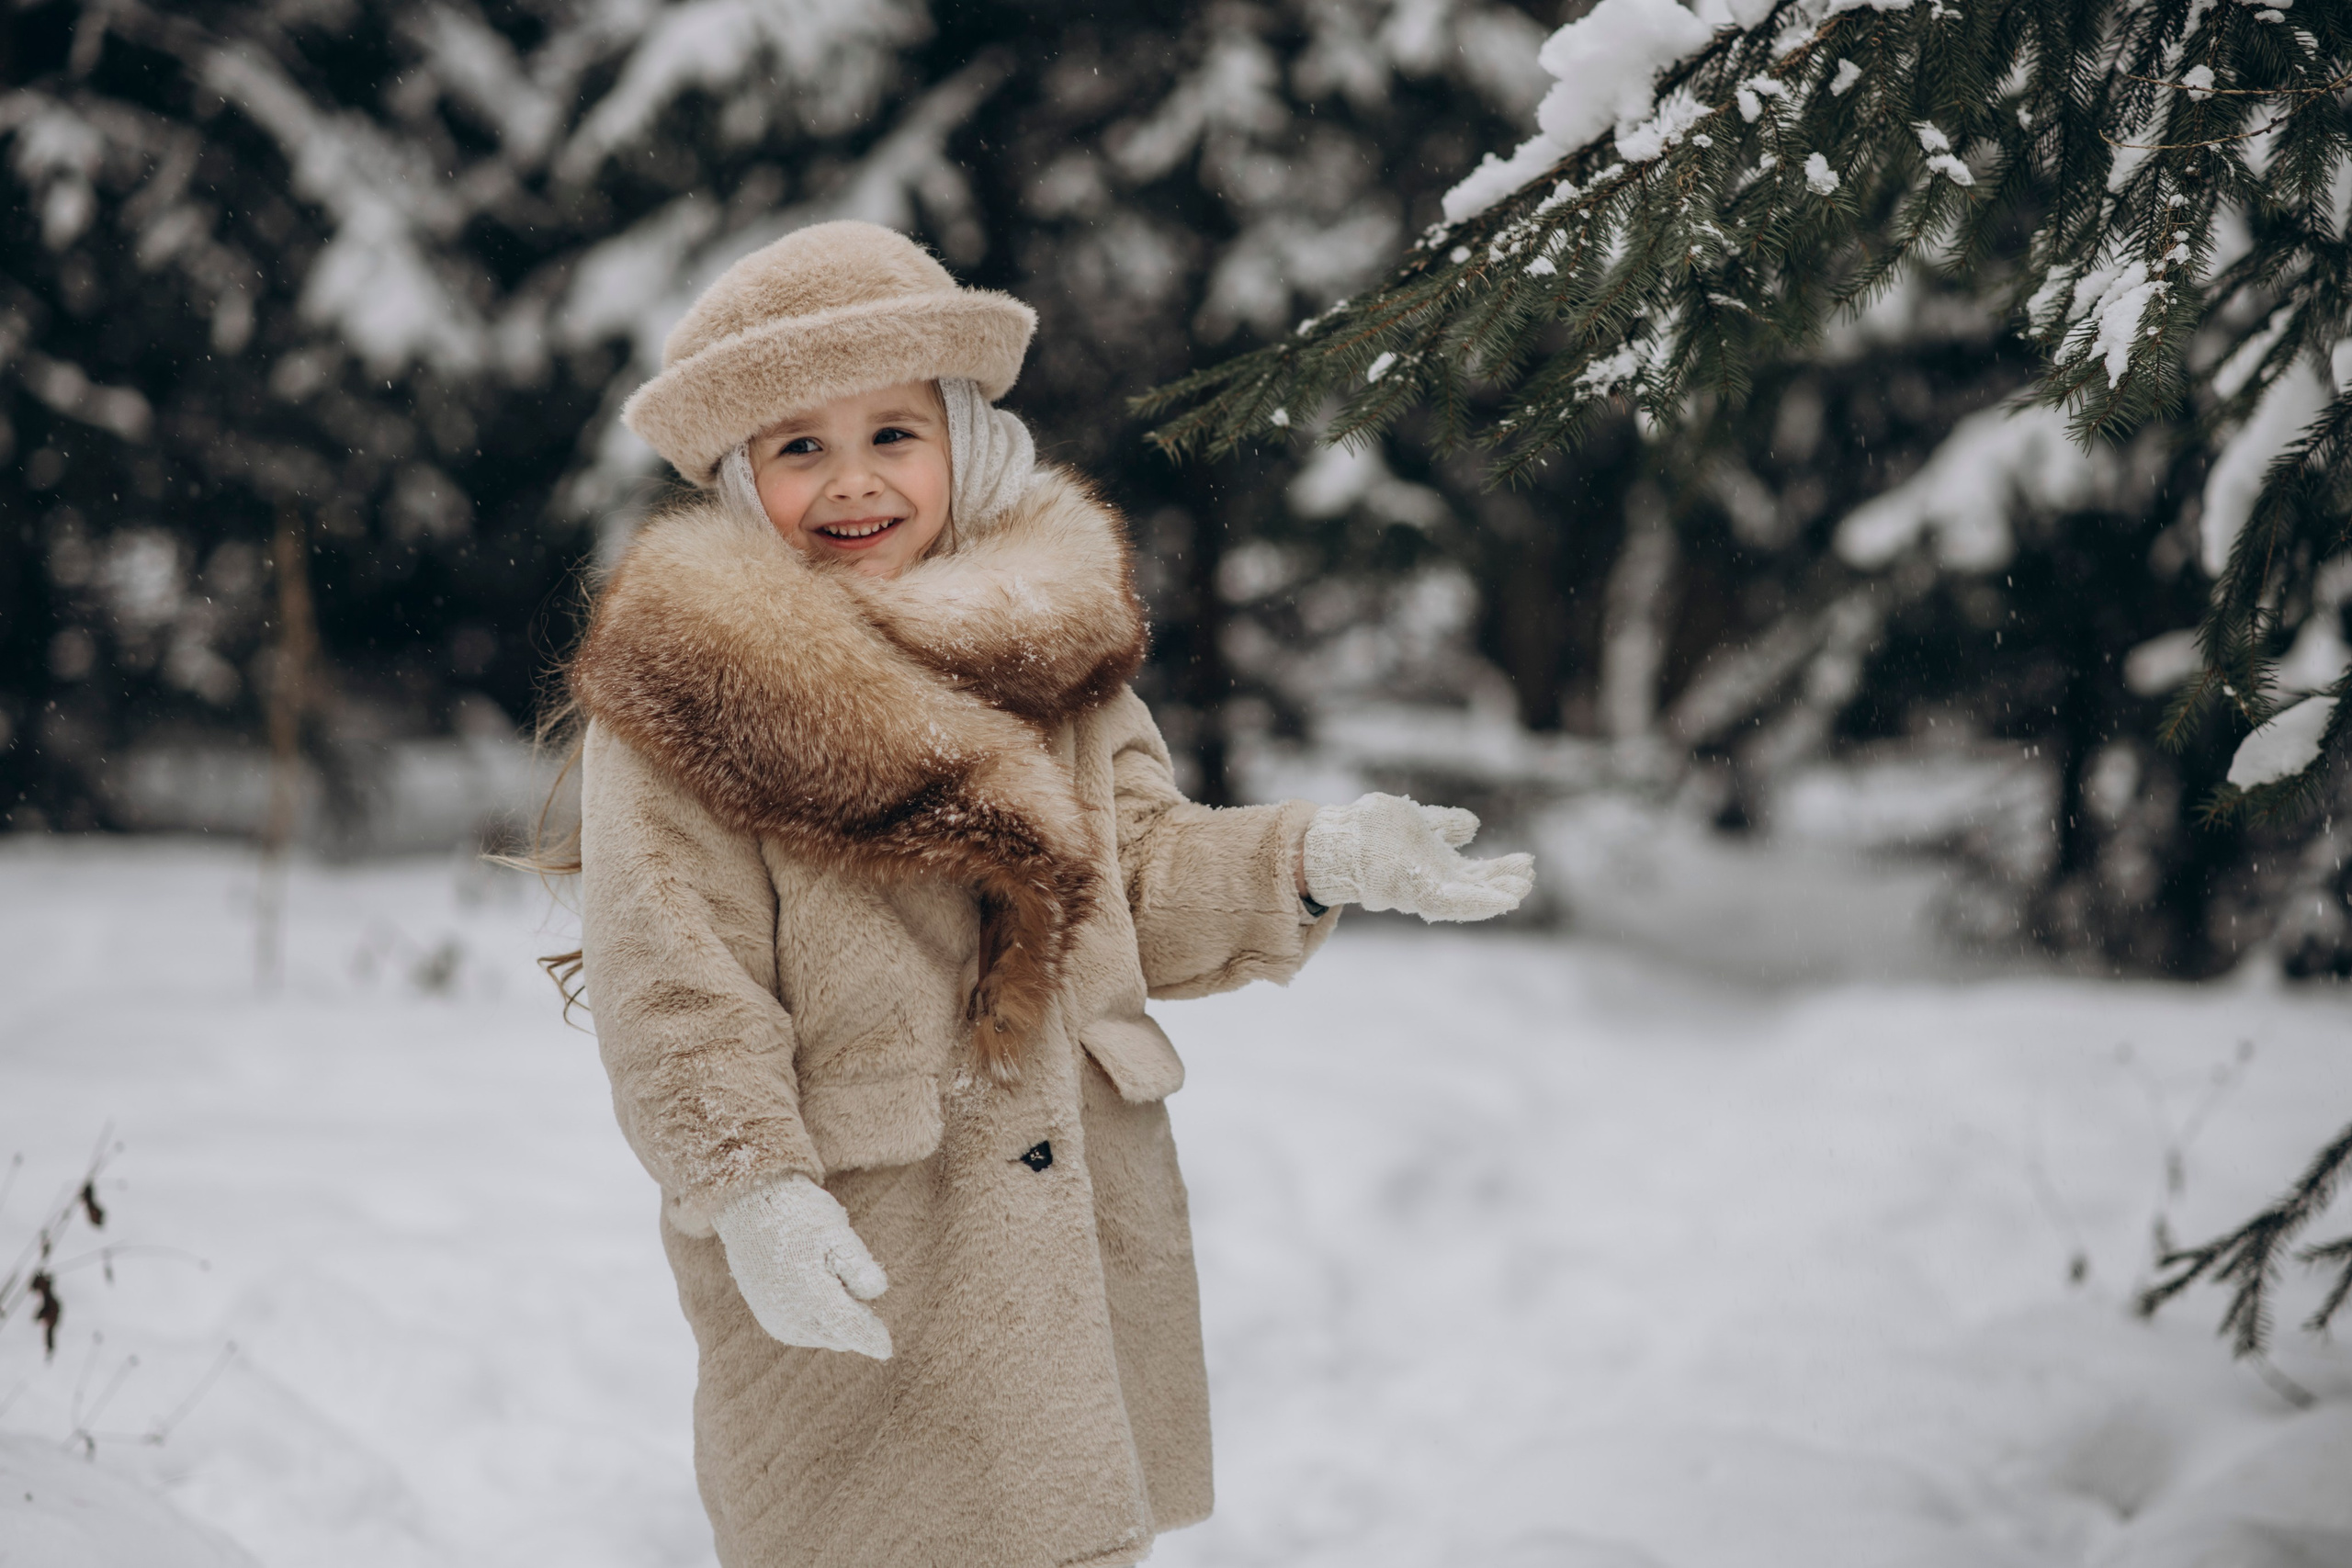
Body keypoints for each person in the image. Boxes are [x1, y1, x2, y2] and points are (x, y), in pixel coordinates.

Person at [563, 219, 1533, 1568]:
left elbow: (1133, 875)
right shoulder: (687, 702)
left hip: (1068, 1252)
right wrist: (754, 1194)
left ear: (962, 440)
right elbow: (672, 978)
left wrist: (1319, 855)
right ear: (740, 475)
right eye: (800, 447)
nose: (854, 482)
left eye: (893, 434)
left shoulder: (1056, 660)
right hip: (866, 1241)